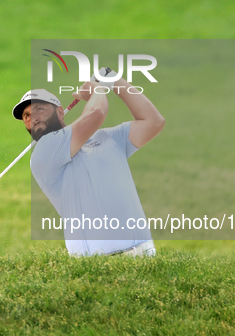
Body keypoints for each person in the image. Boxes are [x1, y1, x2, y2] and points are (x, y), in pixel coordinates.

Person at [12, 71, 165, 257]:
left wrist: (116, 81)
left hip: (145, 252)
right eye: (26, 115)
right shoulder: (44, 149)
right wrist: (97, 90)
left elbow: (154, 122)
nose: (32, 117)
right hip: (99, 263)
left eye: (39, 109)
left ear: (60, 111)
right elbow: (96, 112)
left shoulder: (106, 137)